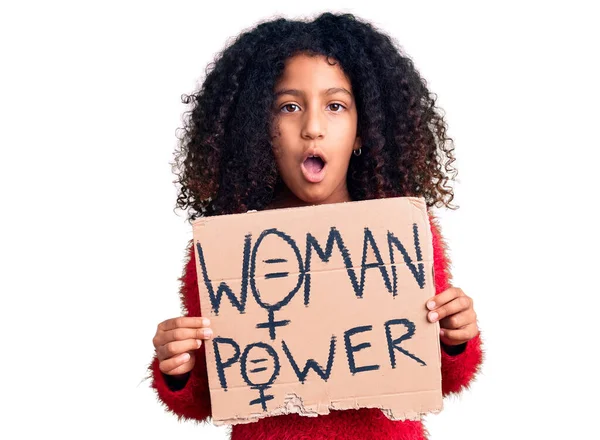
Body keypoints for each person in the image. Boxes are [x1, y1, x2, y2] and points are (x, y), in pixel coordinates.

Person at [148, 11, 483, 440]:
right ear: (259, 128)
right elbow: (208, 399)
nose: (312, 128)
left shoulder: (402, 236)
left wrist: (456, 339)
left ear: (362, 130)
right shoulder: (227, 252)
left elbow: (437, 377)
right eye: (289, 107)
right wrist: (178, 368)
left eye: (335, 106)